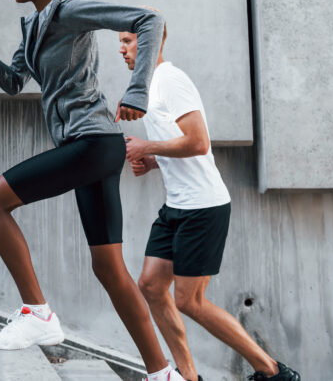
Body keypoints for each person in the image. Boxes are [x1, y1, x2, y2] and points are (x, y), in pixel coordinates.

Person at [0, 0, 180, 381]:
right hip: (96, 149)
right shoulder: (33, 27)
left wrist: (137, 89)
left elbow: (149, 20)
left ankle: (37, 314)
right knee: (108, 267)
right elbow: (14, 82)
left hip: (92, 141)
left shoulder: (66, 10)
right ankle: (163, 374)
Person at [118, 26, 301, 381]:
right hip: (177, 207)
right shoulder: (151, 84)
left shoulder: (171, 79)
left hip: (203, 207)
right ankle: (187, 376)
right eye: (120, 43)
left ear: (151, 41)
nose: (121, 49)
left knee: (190, 301)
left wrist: (147, 147)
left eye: (127, 41)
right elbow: (182, 144)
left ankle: (273, 372)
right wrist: (155, 160)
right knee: (152, 286)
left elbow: (199, 141)